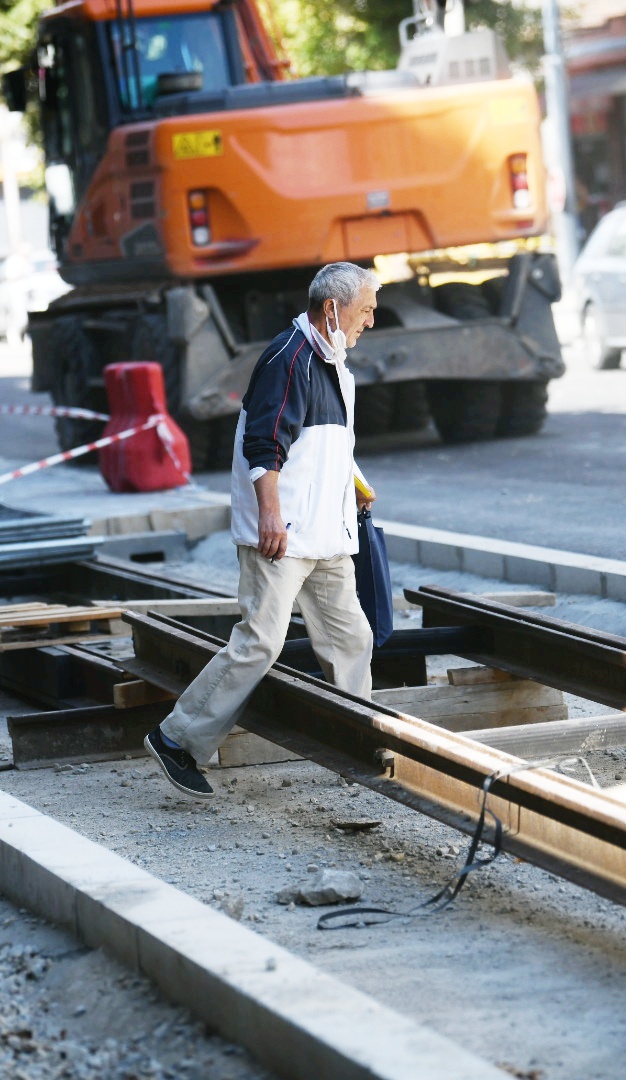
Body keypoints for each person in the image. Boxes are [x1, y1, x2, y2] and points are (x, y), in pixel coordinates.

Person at [144, 262, 380, 800]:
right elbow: (264, 445)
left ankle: (357, 742)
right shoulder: (288, 358)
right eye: (364, 310)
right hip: (283, 536)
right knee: (260, 643)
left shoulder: (334, 363)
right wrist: (269, 516)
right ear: (331, 309)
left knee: (352, 640)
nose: (370, 321)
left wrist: (357, 485)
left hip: (326, 537)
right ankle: (177, 740)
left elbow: (326, 444)